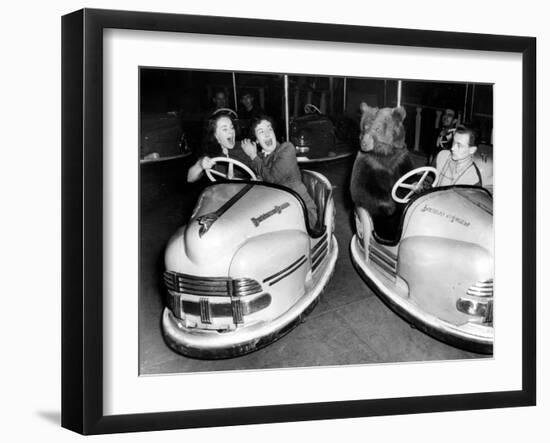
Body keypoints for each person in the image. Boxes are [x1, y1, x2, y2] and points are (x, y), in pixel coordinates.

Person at [241, 116, 318, 228]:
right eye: (261, 132)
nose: (267, 134)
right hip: (280, 208)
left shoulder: (287, 148)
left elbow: (272, 179)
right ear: (257, 140)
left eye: (269, 129)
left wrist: (253, 155)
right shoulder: (262, 158)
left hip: (302, 212)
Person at [187, 114, 255, 182]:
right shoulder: (210, 152)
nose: (231, 132)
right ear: (215, 135)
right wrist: (199, 165)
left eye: (232, 127)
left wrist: (254, 154)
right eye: (225, 129)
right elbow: (190, 179)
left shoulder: (244, 146)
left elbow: (261, 169)